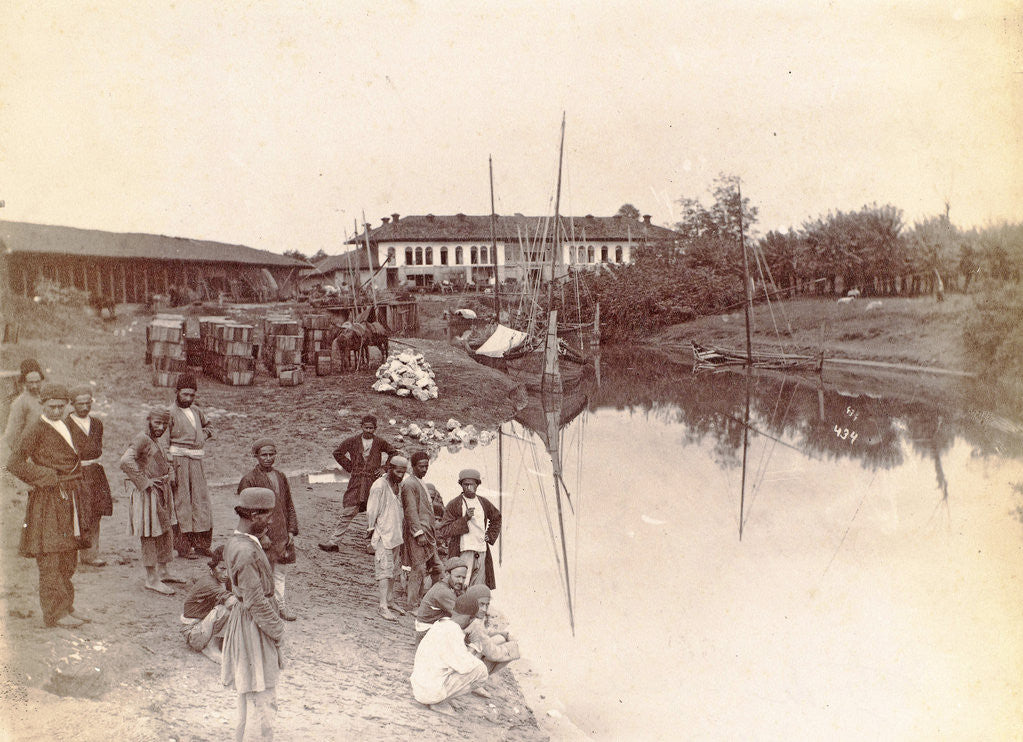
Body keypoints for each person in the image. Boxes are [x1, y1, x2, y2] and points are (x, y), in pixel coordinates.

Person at [6, 383, 90, 628]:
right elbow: (14, 462)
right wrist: (47, 477)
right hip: (48, 501)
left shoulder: (66, 424)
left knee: (68, 556)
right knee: (51, 556)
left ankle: (66, 606)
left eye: (60, 407)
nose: (56, 411)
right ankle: (54, 613)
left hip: (69, 497)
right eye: (51, 406)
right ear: (42, 404)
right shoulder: (36, 428)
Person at [222, 487, 285, 742]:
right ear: (255, 514)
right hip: (254, 624)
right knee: (262, 691)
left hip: (246, 619)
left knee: (249, 691)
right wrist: (278, 630)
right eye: (267, 515)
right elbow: (256, 601)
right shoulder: (246, 552)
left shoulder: (239, 542)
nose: (270, 521)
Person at [119, 406, 185, 595]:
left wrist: (169, 473)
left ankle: (163, 571)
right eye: (157, 422)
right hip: (147, 494)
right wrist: (143, 481)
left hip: (161, 491)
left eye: (164, 423)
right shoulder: (142, 438)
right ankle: (151, 578)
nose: (161, 426)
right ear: (149, 421)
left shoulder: (156, 439)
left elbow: (161, 461)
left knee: (165, 530)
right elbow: (125, 461)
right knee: (149, 534)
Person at [237, 439, 299, 621]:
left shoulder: (281, 476)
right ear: (256, 456)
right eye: (264, 455)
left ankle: (280, 605)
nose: (268, 458)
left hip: (281, 532)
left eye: (272, 454)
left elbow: (289, 504)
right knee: (261, 571)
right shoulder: (249, 479)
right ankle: (262, 606)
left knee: (280, 571)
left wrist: (291, 530)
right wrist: (261, 535)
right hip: (262, 534)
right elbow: (245, 511)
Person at [318, 415, 397, 553]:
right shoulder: (353, 441)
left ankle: (373, 545)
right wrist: (350, 466)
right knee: (348, 511)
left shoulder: (379, 442)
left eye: (371, 428)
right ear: (361, 427)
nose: (368, 430)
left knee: (375, 514)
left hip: (373, 482)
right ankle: (334, 542)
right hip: (356, 482)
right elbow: (337, 453)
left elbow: (393, 453)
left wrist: (384, 468)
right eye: (366, 427)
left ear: (375, 428)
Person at [409, 593, 489, 716]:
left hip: (419, 687)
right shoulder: (453, 631)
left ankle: (443, 698)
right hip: (428, 693)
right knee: (481, 670)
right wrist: (474, 647)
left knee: (458, 666)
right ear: (470, 618)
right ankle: (440, 702)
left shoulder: (441, 623)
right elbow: (466, 667)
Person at [167, 373, 214, 559]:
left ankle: (202, 544)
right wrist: (170, 468)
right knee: (182, 504)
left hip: (196, 463)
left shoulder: (197, 411)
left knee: (201, 502)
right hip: (179, 463)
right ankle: (184, 547)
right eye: (184, 394)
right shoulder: (169, 413)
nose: (188, 399)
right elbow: (163, 443)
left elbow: (209, 426)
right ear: (176, 392)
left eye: (192, 395)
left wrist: (203, 435)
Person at [66, 385, 112, 567]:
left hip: (95, 472)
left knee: (95, 512)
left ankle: (91, 554)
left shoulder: (97, 424)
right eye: (80, 404)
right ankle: (71, 553)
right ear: (72, 404)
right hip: (75, 474)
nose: (85, 407)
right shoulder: (66, 424)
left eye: (88, 403)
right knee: (77, 512)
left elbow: (96, 449)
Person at [438, 469, 502, 589]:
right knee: (461, 584)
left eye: (471, 484)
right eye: (465, 484)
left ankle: (474, 607)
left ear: (477, 485)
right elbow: (444, 530)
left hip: (481, 550)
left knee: (478, 585)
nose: (468, 487)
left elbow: (497, 518)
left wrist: (491, 535)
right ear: (461, 485)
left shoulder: (483, 502)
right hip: (463, 550)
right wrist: (465, 519)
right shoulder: (454, 504)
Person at [365, 455, 408, 621]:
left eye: (403, 472)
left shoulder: (399, 484)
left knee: (393, 571)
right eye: (398, 472)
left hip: (396, 535)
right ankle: (382, 606)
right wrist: (370, 532)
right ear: (389, 468)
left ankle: (390, 601)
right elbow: (372, 511)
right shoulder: (379, 486)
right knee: (384, 571)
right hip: (383, 535)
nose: (400, 475)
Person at [401, 451, 444, 610]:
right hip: (418, 534)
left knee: (438, 568)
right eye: (421, 466)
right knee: (418, 568)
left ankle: (430, 599)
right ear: (412, 467)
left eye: (426, 466)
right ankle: (412, 605)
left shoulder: (419, 481)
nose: (425, 469)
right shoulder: (409, 484)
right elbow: (411, 511)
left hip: (428, 534)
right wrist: (418, 534)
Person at [181, 545, 236, 662]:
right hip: (194, 632)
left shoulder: (222, 579)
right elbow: (232, 602)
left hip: (204, 625)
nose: (226, 573)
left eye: (229, 568)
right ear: (213, 566)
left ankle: (220, 640)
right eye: (222, 568)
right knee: (226, 609)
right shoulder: (209, 583)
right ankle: (211, 647)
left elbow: (191, 580)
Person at [464, 584, 520, 678]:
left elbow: (482, 634)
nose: (485, 609)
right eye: (481, 604)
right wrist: (512, 647)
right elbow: (493, 654)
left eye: (487, 604)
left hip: (462, 659)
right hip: (464, 669)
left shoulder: (466, 615)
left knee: (500, 638)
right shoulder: (476, 625)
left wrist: (499, 633)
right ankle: (476, 682)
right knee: (508, 647)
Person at [413, 556, 467, 643]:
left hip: (430, 628)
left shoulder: (449, 585)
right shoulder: (443, 591)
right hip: (426, 634)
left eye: (464, 578)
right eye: (458, 576)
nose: (461, 581)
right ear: (447, 574)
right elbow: (462, 615)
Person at [1, 359, 45, 460]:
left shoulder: (45, 397)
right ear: (24, 382)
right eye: (30, 382)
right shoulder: (19, 403)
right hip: (30, 454)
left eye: (37, 382)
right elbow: (12, 434)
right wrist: (23, 455)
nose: (34, 386)